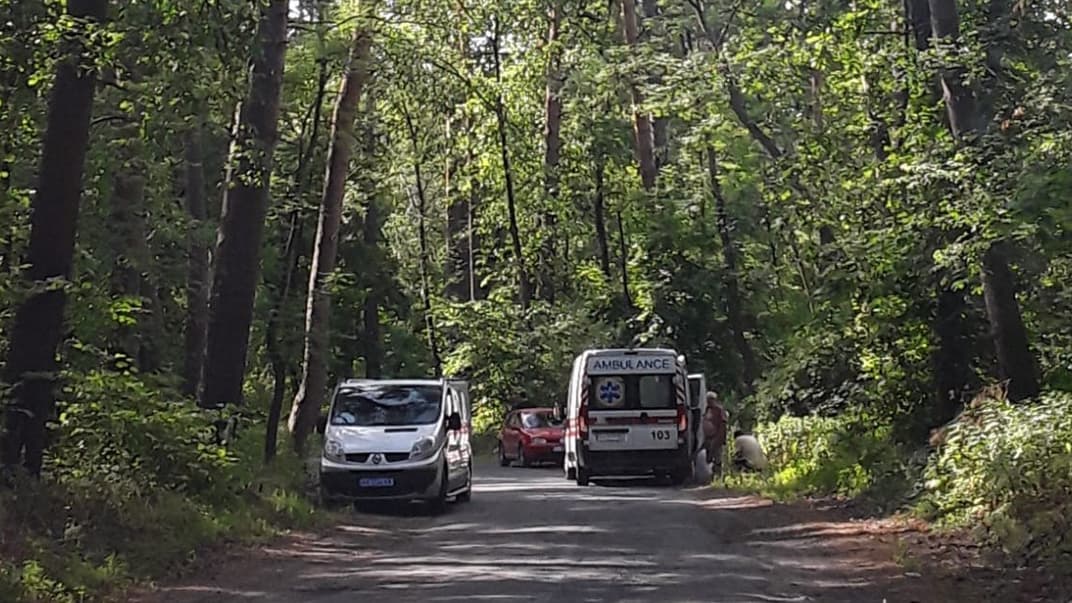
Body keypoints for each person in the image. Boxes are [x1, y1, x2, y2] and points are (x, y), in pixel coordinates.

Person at [701, 392, 727, 474]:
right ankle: (710, 474)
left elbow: (723, 424)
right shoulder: (707, 409)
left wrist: (719, 437)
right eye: (708, 400)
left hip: (716, 437)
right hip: (708, 437)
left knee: (717, 457)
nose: (708, 401)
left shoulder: (719, 410)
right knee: (708, 457)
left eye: (710, 400)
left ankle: (718, 475)